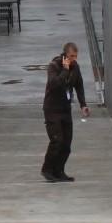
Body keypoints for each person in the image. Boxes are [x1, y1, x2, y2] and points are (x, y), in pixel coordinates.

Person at [41, 42, 89, 182]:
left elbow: (79, 86)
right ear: (65, 55)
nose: (73, 59)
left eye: (75, 56)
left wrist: (83, 104)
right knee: (57, 140)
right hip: (52, 109)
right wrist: (65, 70)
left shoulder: (76, 67)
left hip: (65, 109)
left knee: (67, 144)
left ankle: (59, 170)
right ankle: (47, 170)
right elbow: (54, 84)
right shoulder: (54, 66)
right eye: (71, 56)